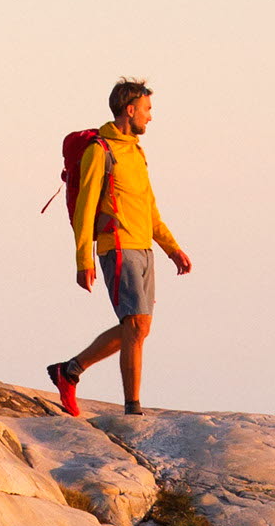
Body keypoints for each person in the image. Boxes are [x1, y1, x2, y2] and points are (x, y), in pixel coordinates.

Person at [47, 78, 193, 417]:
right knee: (136, 326)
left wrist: (172, 248)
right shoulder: (101, 150)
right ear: (130, 110)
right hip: (118, 246)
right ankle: (133, 408)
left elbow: (149, 207)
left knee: (139, 328)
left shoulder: (136, 153)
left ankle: (69, 370)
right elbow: (84, 208)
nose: (150, 117)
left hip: (144, 247)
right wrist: (83, 259)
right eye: (147, 110)